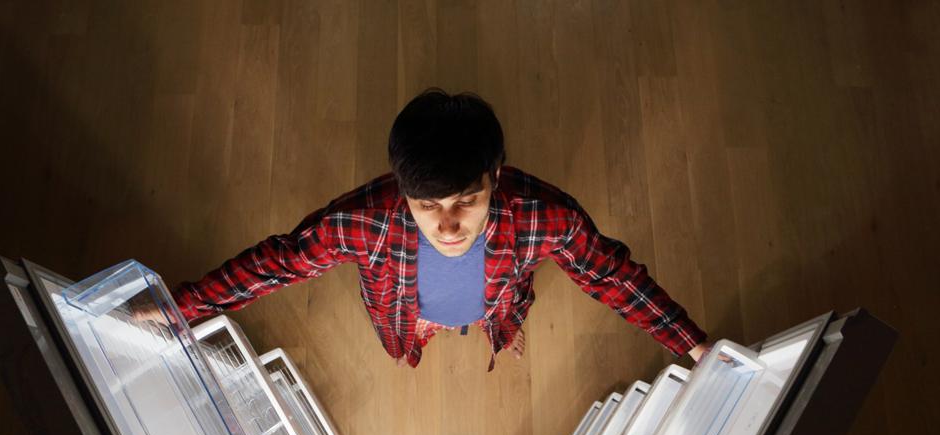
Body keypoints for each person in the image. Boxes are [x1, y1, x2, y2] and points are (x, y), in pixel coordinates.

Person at [171, 89, 711, 370]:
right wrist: (182, 308)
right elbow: (278, 263)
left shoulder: (546, 217)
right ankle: (427, 331)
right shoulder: (362, 222)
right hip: (403, 310)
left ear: (495, 176)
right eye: (427, 205)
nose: (448, 227)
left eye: (467, 200)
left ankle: (498, 326)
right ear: (400, 186)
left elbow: (609, 274)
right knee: (411, 331)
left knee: (503, 312)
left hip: (498, 300)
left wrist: (693, 346)